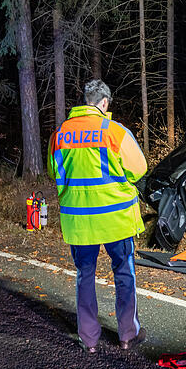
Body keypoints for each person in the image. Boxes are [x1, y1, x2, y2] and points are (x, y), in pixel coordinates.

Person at [47, 79, 148, 354]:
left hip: (79, 221)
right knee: (124, 272)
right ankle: (128, 334)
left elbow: (56, 172)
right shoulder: (114, 131)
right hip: (115, 218)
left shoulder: (60, 135)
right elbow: (139, 169)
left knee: (85, 275)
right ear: (104, 103)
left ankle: (89, 339)